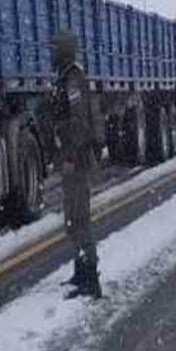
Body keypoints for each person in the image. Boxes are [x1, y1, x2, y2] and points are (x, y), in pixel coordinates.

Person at [52, 33, 103, 299]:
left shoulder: (73, 79)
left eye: (55, 48)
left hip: (77, 159)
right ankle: (80, 272)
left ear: (64, 52)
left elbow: (79, 122)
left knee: (79, 219)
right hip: (71, 157)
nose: (51, 53)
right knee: (72, 220)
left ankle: (91, 279)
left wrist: (71, 155)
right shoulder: (66, 77)